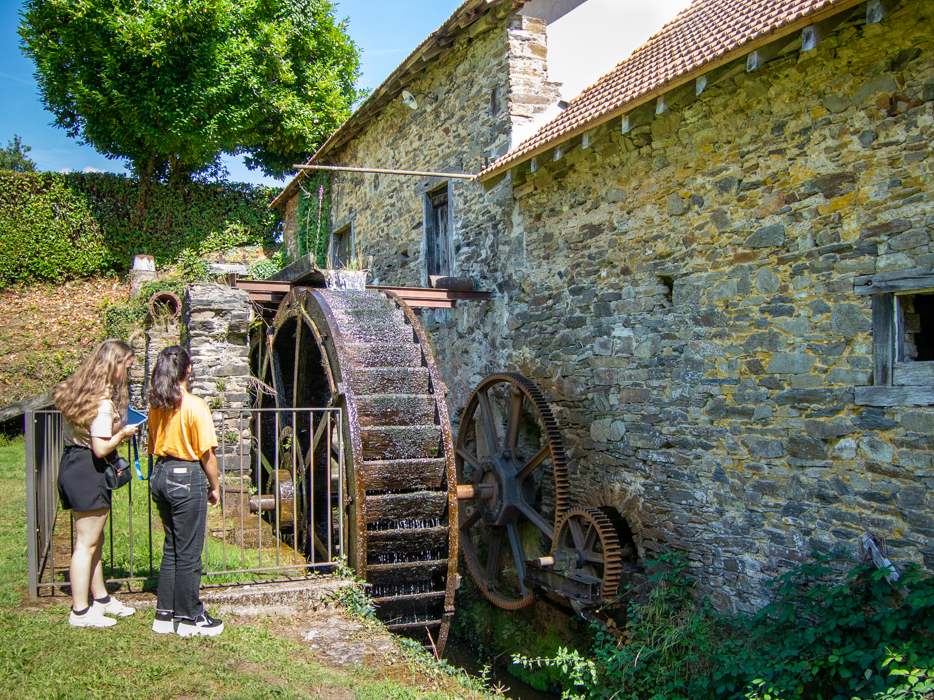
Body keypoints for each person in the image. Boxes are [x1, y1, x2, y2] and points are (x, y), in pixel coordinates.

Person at [53, 339, 138, 627]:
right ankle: (79, 611)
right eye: (126, 367)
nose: (125, 373)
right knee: (85, 544)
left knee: (94, 540)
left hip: (74, 466)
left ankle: (100, 598)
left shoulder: (81, 392)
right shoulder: (101, 403)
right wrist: (124, 433)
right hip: (89, 471)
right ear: (114, 365)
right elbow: (100, 448)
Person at [147, 345, 223, 637]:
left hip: (161, 473)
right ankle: (192, 617)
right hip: (186, 476)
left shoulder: (157, 404)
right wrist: (214, 486)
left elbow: (153, 441)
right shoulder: (194, 406)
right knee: (189, 551)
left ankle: (164, 615)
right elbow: (207, 456)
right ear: (188, 370)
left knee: (172, 547)